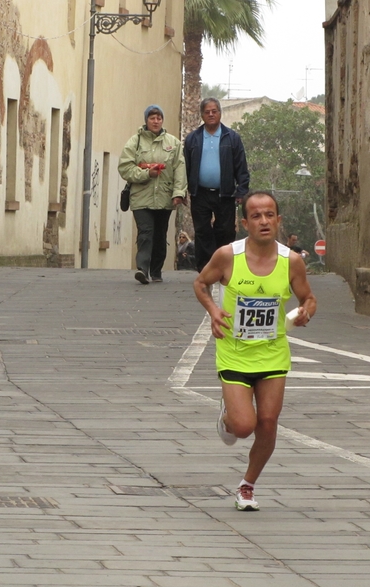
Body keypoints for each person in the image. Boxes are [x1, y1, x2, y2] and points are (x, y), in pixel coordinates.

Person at [193, 191, 317, 511]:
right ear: (244, 223)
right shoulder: (227, 256)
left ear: (278, 220)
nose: (264, 221)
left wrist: (305, 312)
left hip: (273, 352)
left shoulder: (292, 261)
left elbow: (308, 298)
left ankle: (247, 485)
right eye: (257, 216)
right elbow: (200, 283)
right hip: (234, 351)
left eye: (269, 215)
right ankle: (229, 416)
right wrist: (213, 310)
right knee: (244, 426)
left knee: (268, 422)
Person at [118, 105, 187, 284]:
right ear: (146, 120)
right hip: (141, 196)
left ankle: (156, 270)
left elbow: (180, 169)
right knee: (145, 232)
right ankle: (143, 269)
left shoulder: (173, 143)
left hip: (164, 196)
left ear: (162, 120)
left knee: (159, 235)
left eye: (159, 118)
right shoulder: (135, 142)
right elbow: (125, 167)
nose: (155, 121)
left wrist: (178, 193)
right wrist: (146, 174)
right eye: (152, 118)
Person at [184, 98, 250, 272]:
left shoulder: (232, 138)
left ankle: (223, 265)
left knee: (226, 231)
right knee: (202, 231)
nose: (211, 114)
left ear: (220, 113)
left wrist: (241, 191)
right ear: (202, 115)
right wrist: (183, 190)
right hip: (200, 194)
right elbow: (186, 167)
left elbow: (241, 167)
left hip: (226, 194)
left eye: (214, 111)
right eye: (207, 112)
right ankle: (206, 269)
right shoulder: (193, 139)